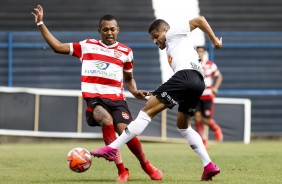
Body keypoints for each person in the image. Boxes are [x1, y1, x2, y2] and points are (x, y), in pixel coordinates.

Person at [31, 5, 162, 182]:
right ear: (99, 31)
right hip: (94, 99)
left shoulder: (126, 52)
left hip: (117, 99)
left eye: (113, 29)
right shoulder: (87, 46)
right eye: (105, 29)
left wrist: (134, 91)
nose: (109, 33)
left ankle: (146, 165)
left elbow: (129, 78)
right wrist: (40, 23)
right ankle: (122, 170)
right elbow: (57, 47)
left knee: (127, 132)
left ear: (118, 30)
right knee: (105, 119)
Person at [91, 16, 223, 181]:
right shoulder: (174, 46)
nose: (154, 41)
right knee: (184, 126)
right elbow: (182, 79)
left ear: (165, 31)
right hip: (197, 82)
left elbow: (200, 20)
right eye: (152, 38)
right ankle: (208, 165)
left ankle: (111, 148)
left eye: (156, 36)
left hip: (186, 76)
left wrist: (214, 40)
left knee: (146, 112)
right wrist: (158, 92)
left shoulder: (173, 33)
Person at [194, 46, 223, 149]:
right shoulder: (193, 65)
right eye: (198, 52)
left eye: (201, 52)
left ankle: (216, 128)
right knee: (197, 118)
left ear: (204, 53)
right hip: (196, 96)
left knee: (206, 120)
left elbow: (219, 76)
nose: (199, 54)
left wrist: (215, 87)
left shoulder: (210, 65)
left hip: (207, 95)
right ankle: (203, 141)